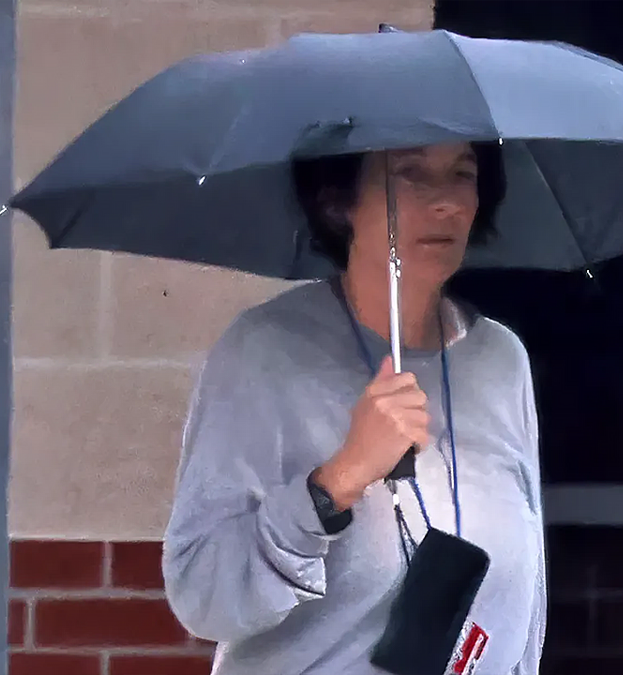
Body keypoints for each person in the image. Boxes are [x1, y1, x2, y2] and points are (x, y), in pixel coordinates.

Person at [161, 141, 547, 674]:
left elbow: (524, 609)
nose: (447, 203)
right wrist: (337, 482)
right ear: (337, 201)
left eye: (463, 174)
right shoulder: (266, 351)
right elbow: (201, 596)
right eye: (411, 174)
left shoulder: (500, 361)